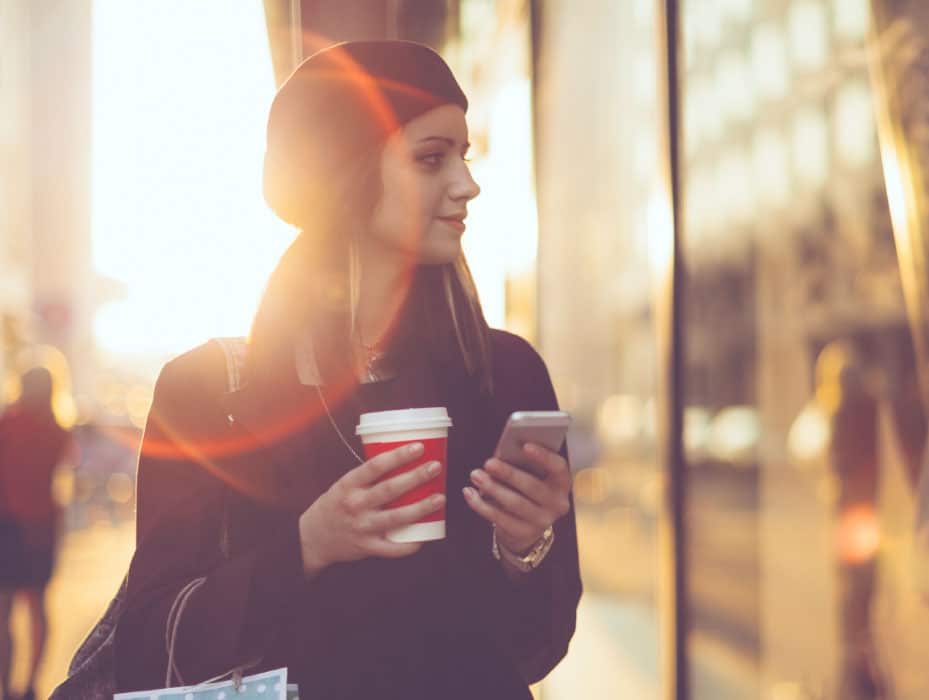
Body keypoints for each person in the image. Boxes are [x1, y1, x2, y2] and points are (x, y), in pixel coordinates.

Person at [112, 40, 582, 698]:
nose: (468, 185)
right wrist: (307, 545)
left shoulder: (503, 374)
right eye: (430, 158)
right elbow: (148, 645)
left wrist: (525, 548)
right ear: (347, 170)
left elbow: (536, 651)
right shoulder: (208, 392)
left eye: (464, 156)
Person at [0, 367, 73, 700]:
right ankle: (30, 684)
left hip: (8, 525)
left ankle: (7, 687)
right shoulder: (58, 430)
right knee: (37, 607)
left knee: (4, 610)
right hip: (41, 527)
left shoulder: (8, 422)